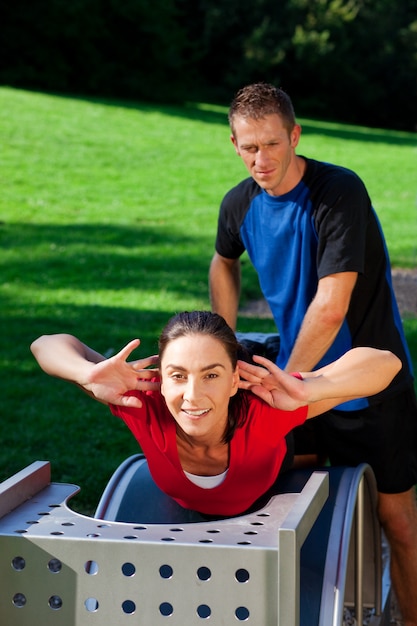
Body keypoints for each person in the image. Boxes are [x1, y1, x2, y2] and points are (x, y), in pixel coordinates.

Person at [209, 82, 417, 624]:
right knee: (293, 513)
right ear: (234, 143)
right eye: (249, 147)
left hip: (365, 382)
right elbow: (222, 261)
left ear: (295, 136)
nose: (262, 159)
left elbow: (331, 304)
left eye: (273, 144)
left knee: (397, 521)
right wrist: (222, 341)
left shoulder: (338, 191)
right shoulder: (239, 204)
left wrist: (288, 381)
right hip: (296, 386)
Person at [31, 310, 400, 517]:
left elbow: (385, 363)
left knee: (306, 442)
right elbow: (45, 344)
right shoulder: (142, 401)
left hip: (272, 440)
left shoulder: (264, 407)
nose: (192, 396)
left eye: (210, 375)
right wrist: (86, 373)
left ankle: (262, 351)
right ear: (159, 379)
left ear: (234, 379)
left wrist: (309, 389)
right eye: (178, 376)